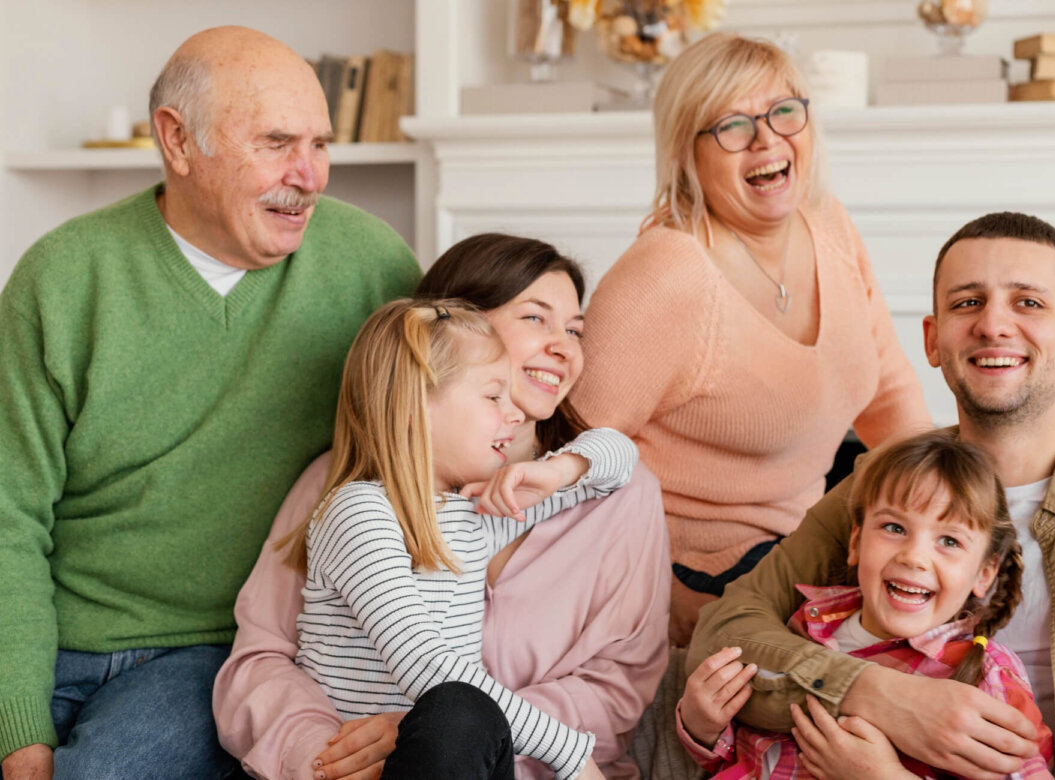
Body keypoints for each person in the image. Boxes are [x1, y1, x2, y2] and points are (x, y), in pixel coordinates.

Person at [0, 26, 420, 780]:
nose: (311, 175)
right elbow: (7, 515)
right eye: (278, 142)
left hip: (211, 650)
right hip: (49, 630)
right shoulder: (62, 278)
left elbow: (461, 442)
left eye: (321, 144)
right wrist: (20, 732)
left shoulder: (374, 267)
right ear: (177, 140)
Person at [689, 212, 1055, 779]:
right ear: (933, 341)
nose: (993, 326)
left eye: (1028, 303)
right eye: (967, 303)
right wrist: (883, 697)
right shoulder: (884, 484)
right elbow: (727, 631)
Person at [214, 234, 671, 780]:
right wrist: (330, 752)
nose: (565, 347)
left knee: (455, 717)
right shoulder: (347, 493)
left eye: (575, 329)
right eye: (535, 319)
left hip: (510, 766)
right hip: (357, 768)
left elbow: (614, 691)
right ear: (454, 328)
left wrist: (560, 471)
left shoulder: (558, 497)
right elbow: (262, 662)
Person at [569, 32, 931, 649]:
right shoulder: (667, 273)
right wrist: (661, 596)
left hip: (799, 550)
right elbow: (565, 457)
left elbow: (887, 392)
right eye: (733, 126)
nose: (768, 139)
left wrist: (951, 506)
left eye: (784, 112)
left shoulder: (830, 226)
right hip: (696, 568)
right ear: (689, 152)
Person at [275, 297, 636, 780]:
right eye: (493, 397)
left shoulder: (475, 513)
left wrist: (558, 472)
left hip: (455, 760)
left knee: (464, 718)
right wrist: (569, 751)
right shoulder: (359, 512)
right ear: (414, 406)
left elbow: (618, 460)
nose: (515, 415)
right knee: (460, 710)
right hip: (384, 767)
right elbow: (426, 666)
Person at [678, 431, 1053, 779]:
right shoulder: (802, 626)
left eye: (949, 541)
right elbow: (748, 756)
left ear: (983, 574)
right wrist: (703, 728)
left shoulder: (986, 677)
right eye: (894, 528)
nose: (915, 557)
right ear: (856, 541)